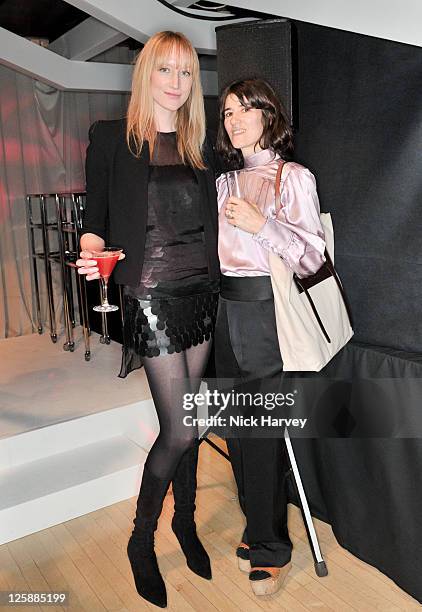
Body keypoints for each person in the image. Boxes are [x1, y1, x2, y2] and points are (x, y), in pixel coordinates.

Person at [76, 31, 220, 608]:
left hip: (201, 294)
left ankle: (185, 523)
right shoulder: (111, 138)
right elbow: (94, 216)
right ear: (146, 74)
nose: (177, 84)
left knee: (189, 419)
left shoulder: (199, 147)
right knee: (183, 427)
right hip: (152, 296)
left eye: (186, 74)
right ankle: (142, 541)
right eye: (166, 70)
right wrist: (91, 247)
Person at [214, 78, 326, 596]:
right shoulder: (223, 183)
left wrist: (263, 226)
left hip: (267, 312)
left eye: (244, 110)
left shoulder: (293, 177)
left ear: (268, 115)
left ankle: (270, 547)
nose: (233, 120)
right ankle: (257, 524)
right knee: (236, 430)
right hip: (225, 310)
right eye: (227, 112)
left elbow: (314, 258)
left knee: (261, 432)